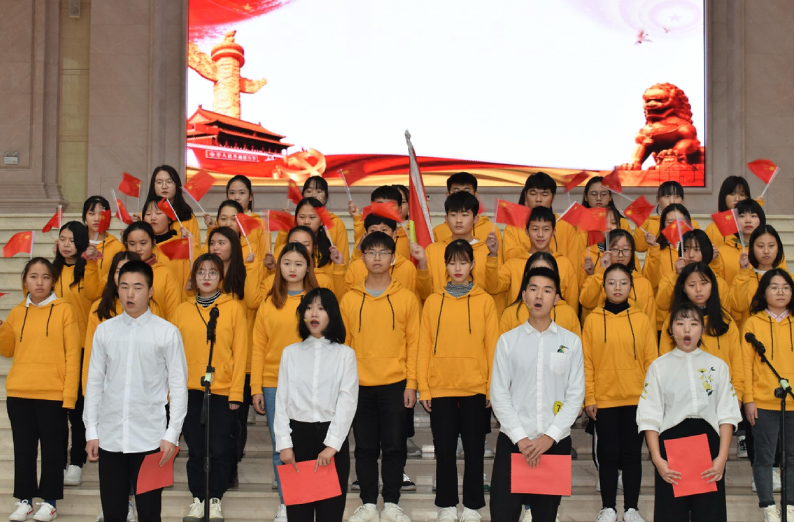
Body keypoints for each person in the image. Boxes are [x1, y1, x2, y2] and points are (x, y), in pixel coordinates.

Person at [84, 260, 188, 522]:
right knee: (113, 513)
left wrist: (172, 434)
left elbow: (178, 387)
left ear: (150, 291)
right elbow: (94, 382)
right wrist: (91, 430)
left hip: (150, 440)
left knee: (150, 513)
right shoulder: (104, 331)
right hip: (110, 437)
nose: (130, 294)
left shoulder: (167, 333)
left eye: (138, 287)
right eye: (124, 286)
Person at [489, 266, 585, 522]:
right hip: (513, 442)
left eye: (547, 290)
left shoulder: (571, 342)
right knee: (503, 514)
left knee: (546, 517)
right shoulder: (508, 341)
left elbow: (575, 395)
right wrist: (521, 438)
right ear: (524, 295)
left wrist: (549, 437)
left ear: (557, 299)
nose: (539, 295)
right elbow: (499, 394)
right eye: (533, 289)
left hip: (554, 444)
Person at [341, 233, 420, 522]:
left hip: (395, 384)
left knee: (395, 446)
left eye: (383, 252)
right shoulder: (349, 299)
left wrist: (412, 383)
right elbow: (343, 346)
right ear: (362, 257)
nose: (377, 257)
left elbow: (414, 344)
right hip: (359, 385)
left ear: (393, 258)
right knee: (364, 447)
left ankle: (392, 503)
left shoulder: (407, 298)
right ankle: (367, 504)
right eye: (371, 252)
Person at [418, 240, 498, 522]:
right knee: (444, 449)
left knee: (474, 450)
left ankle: (473, 506)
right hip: (441, 387)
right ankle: (447, 505)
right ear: (445, 266)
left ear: (472, 264)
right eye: (452, 262)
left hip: (475, 387)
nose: (458, 268)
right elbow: (423, 346)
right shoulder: (433, 301)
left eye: (463, 262)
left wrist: (491, 387)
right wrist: (424, 387)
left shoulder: (485, 301)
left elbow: (492, 346)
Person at [637, 302, 741, 522]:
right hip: (672, 447)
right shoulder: (658, 367)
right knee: (671, 514)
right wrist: (658, 459)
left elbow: (727, 414)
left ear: (702, 330)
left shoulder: (718, 366)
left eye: (693, 324)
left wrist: (721, 458)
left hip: (709, 445)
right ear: (670, 329)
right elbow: (649, 417)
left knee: (709, 513)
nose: (686, 329)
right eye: (680, 323)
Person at [0, 258, 81, 522]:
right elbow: (7, 350)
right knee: (24, 450)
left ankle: (50, 502)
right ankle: (25, 501)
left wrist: (69, 395)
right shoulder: (16, 312)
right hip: (19, 393)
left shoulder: (65, 310)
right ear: (25, 280)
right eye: (34, 276)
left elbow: (73, 356)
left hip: (52, 394)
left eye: (46, 277)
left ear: (53, 281)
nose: (39, 282)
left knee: (53, 451)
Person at [171, 254, 248, 521]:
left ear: (221, 277)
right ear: (193, 277)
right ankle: (197, 499)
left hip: (223, 391)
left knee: (219, 448)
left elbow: (240, 353)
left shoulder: (234, 308)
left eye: (213, 272)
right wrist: (172, 393)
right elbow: (172, 357)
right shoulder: (181, 311)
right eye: (201, 272)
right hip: (189, 391)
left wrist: (236, 392)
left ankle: (215, 499)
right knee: (195, 449)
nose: (206, 277)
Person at [275, 288, 359, 522]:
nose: (314, 313)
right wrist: (284, 444)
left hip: (330, 439)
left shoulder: (345, 354)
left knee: (329, 514)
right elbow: (281, 401)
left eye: (321, 308)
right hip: (298, 440)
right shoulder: (290, 353)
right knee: (298, 515)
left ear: (332, 315)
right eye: (309, 308)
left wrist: (332, 445)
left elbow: (348, 402)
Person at [251, 242, 321, 522]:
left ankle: (311, 501)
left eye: (299, 263)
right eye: (287, 263)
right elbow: (258, 347)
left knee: (309, 446)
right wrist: (256, 387)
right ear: (279, 266)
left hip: (311, 385)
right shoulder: (269, 303)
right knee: (282, 446)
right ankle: (288, 502)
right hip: (273, 384)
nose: (292, 269)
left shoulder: (316, 304)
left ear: (308, 267)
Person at [583, 263, 657, 522]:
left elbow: (651, 361)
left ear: (631, 287)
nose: (617, 287)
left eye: (623, 282)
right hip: (604, 400)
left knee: (632, 455)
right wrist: (589, 396)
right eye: (612, 282)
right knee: (608, 455)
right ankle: (608, 508)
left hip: (636, 399)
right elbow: (587, 362)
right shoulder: (592, 320)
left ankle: (631, 509)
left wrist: (651, 398)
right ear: (604, 287)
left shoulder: (641, 319)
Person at [742, 269, 794, 521]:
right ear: (764, 292)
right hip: (763, 404)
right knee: (763, 458)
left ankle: (791, 508)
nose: (780, 292)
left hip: (793, 403)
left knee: (792, 458)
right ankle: (769, 509)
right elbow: (745, 365)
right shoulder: (752, 324)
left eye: (785, 287)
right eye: (774, 287)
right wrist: (748, 399)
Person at [51, 222, 92, 488]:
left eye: (72, 240)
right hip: (55, 347)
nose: (66, 244)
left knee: (77, 409)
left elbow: (95, 295)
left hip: (82, 347)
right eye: (62, 239)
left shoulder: (88, 270)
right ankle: (59, 463)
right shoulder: (51, 272)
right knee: (56, 410)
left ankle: (77, 461)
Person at [412, 191, 504, 312]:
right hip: (443, 315)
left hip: (477, 316)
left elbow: (493, 288)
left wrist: (492, 255)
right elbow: (425, 293)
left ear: (475, 219)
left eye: (465, 215)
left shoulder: (487, 249)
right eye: (453, 215)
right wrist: (422, 264)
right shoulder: (433, 250)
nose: (458, 220)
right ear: (446, 219)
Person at [485, 206, 578, 309]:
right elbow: (493, 288)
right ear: (527, 231)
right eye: (535, 229)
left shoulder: (564, 264)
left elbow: (572, 304)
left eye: (546, 229)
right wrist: (492, 255)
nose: (540, 234)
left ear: (553, 232)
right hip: (520, 318)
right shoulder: (513, 264)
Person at [579, 229, 656, 322]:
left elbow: (649, 320)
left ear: (631, 253)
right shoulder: (596, 277)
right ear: (606, 251)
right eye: (615, 249)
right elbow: (586, 303)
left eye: (625, 249)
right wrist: (602, 272)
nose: (620, 255)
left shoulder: (643, 283)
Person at [500, 253, 581, 337]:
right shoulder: (510, 315)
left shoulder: (569, 314)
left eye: (546, 273)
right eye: (536, 272)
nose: (541, 278)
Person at [654, 230, 729, 321]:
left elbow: (725, 317)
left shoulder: (719, 283)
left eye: (697, 249)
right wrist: (677, 276)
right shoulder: (670, 277)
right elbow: (662, 305)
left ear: (706, 251)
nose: (691, 255)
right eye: (686, 250)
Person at [274, 177, 350, 264]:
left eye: (319, 191)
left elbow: (343, 258)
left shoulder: (336, 222)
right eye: (309, 191)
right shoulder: (292, 221)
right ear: (303, 195)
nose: (313, 195)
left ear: (326, 196)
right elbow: (278, 254)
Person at [502, 172, 576, 261]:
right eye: (533, 194)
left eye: (544, 195)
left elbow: (573, 265)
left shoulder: (566, 227)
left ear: (553, 198)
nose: (538, 199)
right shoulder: (512, 226)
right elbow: (508, 261)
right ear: (525, 195)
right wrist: (532, 239)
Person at [120, 221, 182, 320]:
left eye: (143, 243)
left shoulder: (166, 274)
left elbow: (173, 314)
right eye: (132, 244)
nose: (138, 249)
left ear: (153, 242)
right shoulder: (119, 273)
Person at [344, 215, 418, 297]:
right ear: (366, 235)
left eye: (384, 230)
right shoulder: (355, 267)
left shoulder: (408, 267)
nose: (378, 233)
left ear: (394, 234)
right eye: (373, 230)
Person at [730, 225, 788, 327]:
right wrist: (743, 272)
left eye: (771, 246)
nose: (766, 251)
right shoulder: (743, 278)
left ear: (778, 248)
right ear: (752, 248)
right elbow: (738, 307)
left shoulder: (788, 279)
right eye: (760, 246)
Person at [432, 172, 502, 248]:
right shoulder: (438, 231)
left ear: (475, 194)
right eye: (456, 191)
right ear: (448, 195)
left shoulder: (490, 229)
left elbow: (496, 254)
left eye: (467, 191)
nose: (462, 195)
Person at [203, 175, 267, 255]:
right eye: (232, 193)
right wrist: (211, 229)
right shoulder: (221, 223)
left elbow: (264, 255)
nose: (236, 197)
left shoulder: (259, 224)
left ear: (250, 196)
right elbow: (208, 252)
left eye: (241, 193)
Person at [632, 181, 701, 253]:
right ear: (658, 199)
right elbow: (639, 247)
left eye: (677, 197)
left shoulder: (691, 224)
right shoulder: (651, 223)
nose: (672, 201)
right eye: (667, 196)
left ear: (682, 200)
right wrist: (643, 218)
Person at [350, 186, 410, 261]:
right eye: (380, 205)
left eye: (390, 205)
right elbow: (355, 265)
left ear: (400, 208)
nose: (384, 209)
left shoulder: (410, 236)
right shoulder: (367, 235)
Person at [717, 199, 769, 285]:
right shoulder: (722, 252)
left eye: (753, 216)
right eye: (742, 216)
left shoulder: (770, 250)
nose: (748, 220)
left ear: (761, 220)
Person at [142, 165, 200, 241]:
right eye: (159, 182)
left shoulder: (188, 217)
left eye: (169, 182)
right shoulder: (144, 217)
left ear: (177, 185)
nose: (164, 186)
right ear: (153, 186)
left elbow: (196, 246)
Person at [82, 195, 125, 283]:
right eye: (92, 213)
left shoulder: (118, 247)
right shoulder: (77, 243)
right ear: (84, 216)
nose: (97, 218)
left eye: (101, 214)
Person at [705, 175, 754, 248]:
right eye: (732, 194)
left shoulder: (751, 225)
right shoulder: (712, 229)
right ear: (723, 196)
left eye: (742, 195)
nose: (737, 199)